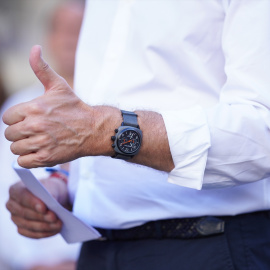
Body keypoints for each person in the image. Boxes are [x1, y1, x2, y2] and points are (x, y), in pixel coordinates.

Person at [3, 0, 270, 269]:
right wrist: (64, 183)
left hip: (207, 245)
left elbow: (262, 132)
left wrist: (103, 130)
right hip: (96, 250)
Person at [0, 1, 84, 269]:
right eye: (66, 30)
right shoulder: (22, 105)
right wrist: (30, 261)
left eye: (80, 30)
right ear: (50, 37)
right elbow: (4, 187)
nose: (73, 39)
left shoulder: (114, 111)